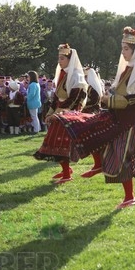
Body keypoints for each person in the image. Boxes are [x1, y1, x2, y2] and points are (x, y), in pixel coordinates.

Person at [55, 27, 135, 208]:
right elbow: (117, 92)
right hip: (119, 116)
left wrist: (115, 101)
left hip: (134, 120)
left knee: (124, 154)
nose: (123, 52)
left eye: (126, 49)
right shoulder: (127, 70)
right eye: (122, 49)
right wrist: (109, 99)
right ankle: (99, 165)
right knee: (93, 132)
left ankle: (130, 197)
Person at [34, 43, 88, 184]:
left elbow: (74, 99)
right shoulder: (63, 74)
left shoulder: (76, 76)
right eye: (59, 58)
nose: (59, 61)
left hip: (68, 115)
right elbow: (57, 97)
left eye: (62, 58)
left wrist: (58, 113)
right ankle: (66, 171)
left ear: (70, 60)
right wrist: (49, 113)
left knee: (61, 145)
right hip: (59, 114)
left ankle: (67, 174)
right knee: (55, 143)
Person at [26, 71, 42, 135]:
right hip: (36, 102)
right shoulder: (36, 84)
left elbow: (32, 94)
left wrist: (26, 97)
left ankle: (36, 129)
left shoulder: (32, 84)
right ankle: (38, 128)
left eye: (28, 76)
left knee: (34, 116)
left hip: (33, 102)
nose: (27, 78)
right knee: (35, 116)